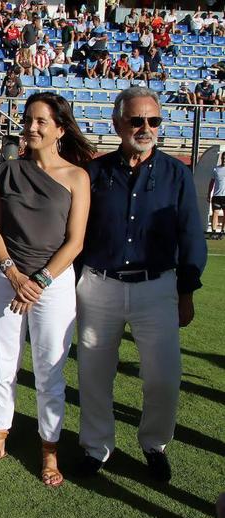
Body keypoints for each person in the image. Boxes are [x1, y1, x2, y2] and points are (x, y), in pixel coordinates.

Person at [77, 87, 207, 483]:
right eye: (137, 120)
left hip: (157, 288)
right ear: (118, 123)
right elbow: (77, 233)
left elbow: (191, 236)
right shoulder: (95, 173)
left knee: (164, 376)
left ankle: (154, 444)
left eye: (154, 120)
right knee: (94, 374)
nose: (146, 127)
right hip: (99, 285)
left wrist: (186, 291)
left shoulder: (176, 174)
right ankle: (96, 446)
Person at [0, 92, 93, 488]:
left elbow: (75, 241)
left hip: (52, 287)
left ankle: (49, 449)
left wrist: (38, 281)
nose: (32, 127)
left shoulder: (77, 176)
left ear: (60, 128)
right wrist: (13, 273)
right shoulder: (7, 170)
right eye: (28, 119)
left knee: (49, 371)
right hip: (6, 280)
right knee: (3, 364)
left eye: (41, 121)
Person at [210, 152, 225, 238]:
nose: (224, 160)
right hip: (217, 195)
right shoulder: (216, 169)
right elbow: (212, 182)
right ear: (221, 158)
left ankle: (222, 232)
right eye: (223, 158)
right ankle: (214, 231)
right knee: (215, 213)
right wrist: (209, 193)